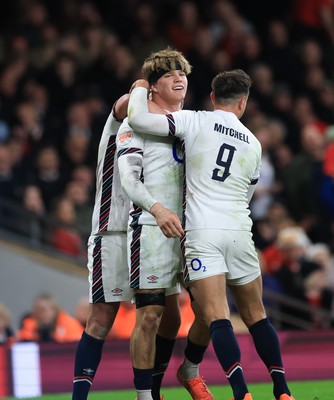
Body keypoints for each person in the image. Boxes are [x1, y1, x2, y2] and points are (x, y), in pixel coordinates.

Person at [126, 69, 295, 400]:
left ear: (214, 98)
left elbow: (140, 120)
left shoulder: (196, 120)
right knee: (257, 315)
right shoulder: (255, 144)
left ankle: (241, 393)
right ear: (243, 102)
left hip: (203, 231)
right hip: (240, 230)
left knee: (217, 316)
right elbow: (247, 196)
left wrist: (141, 87)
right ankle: (282, 390)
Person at [71, 89, 202, 400]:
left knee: (171, 317)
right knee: (102, 319)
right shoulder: (124, 121)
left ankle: (151, 392)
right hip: (113, 229)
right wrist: (147, 84)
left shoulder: (168, 133)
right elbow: (125, 100)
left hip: (149, 233)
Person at [116, 48, 212, 400]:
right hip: (152, 229)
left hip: (191, 231)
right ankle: (145, 397)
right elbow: (129, 180)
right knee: (152, 317)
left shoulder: (189, 124)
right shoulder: (134, 124)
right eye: (170, 74)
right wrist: (157, 209)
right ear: (152, 88)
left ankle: (188, 369)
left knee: (206, 310)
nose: (179, 78)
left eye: (182, 73)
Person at [17, 293, 83, 343]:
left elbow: (77, 343)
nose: (42, 313)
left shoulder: (69, 324)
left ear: (55, 310)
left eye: (45, 310)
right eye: (39, 310)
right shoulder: (29, 324)